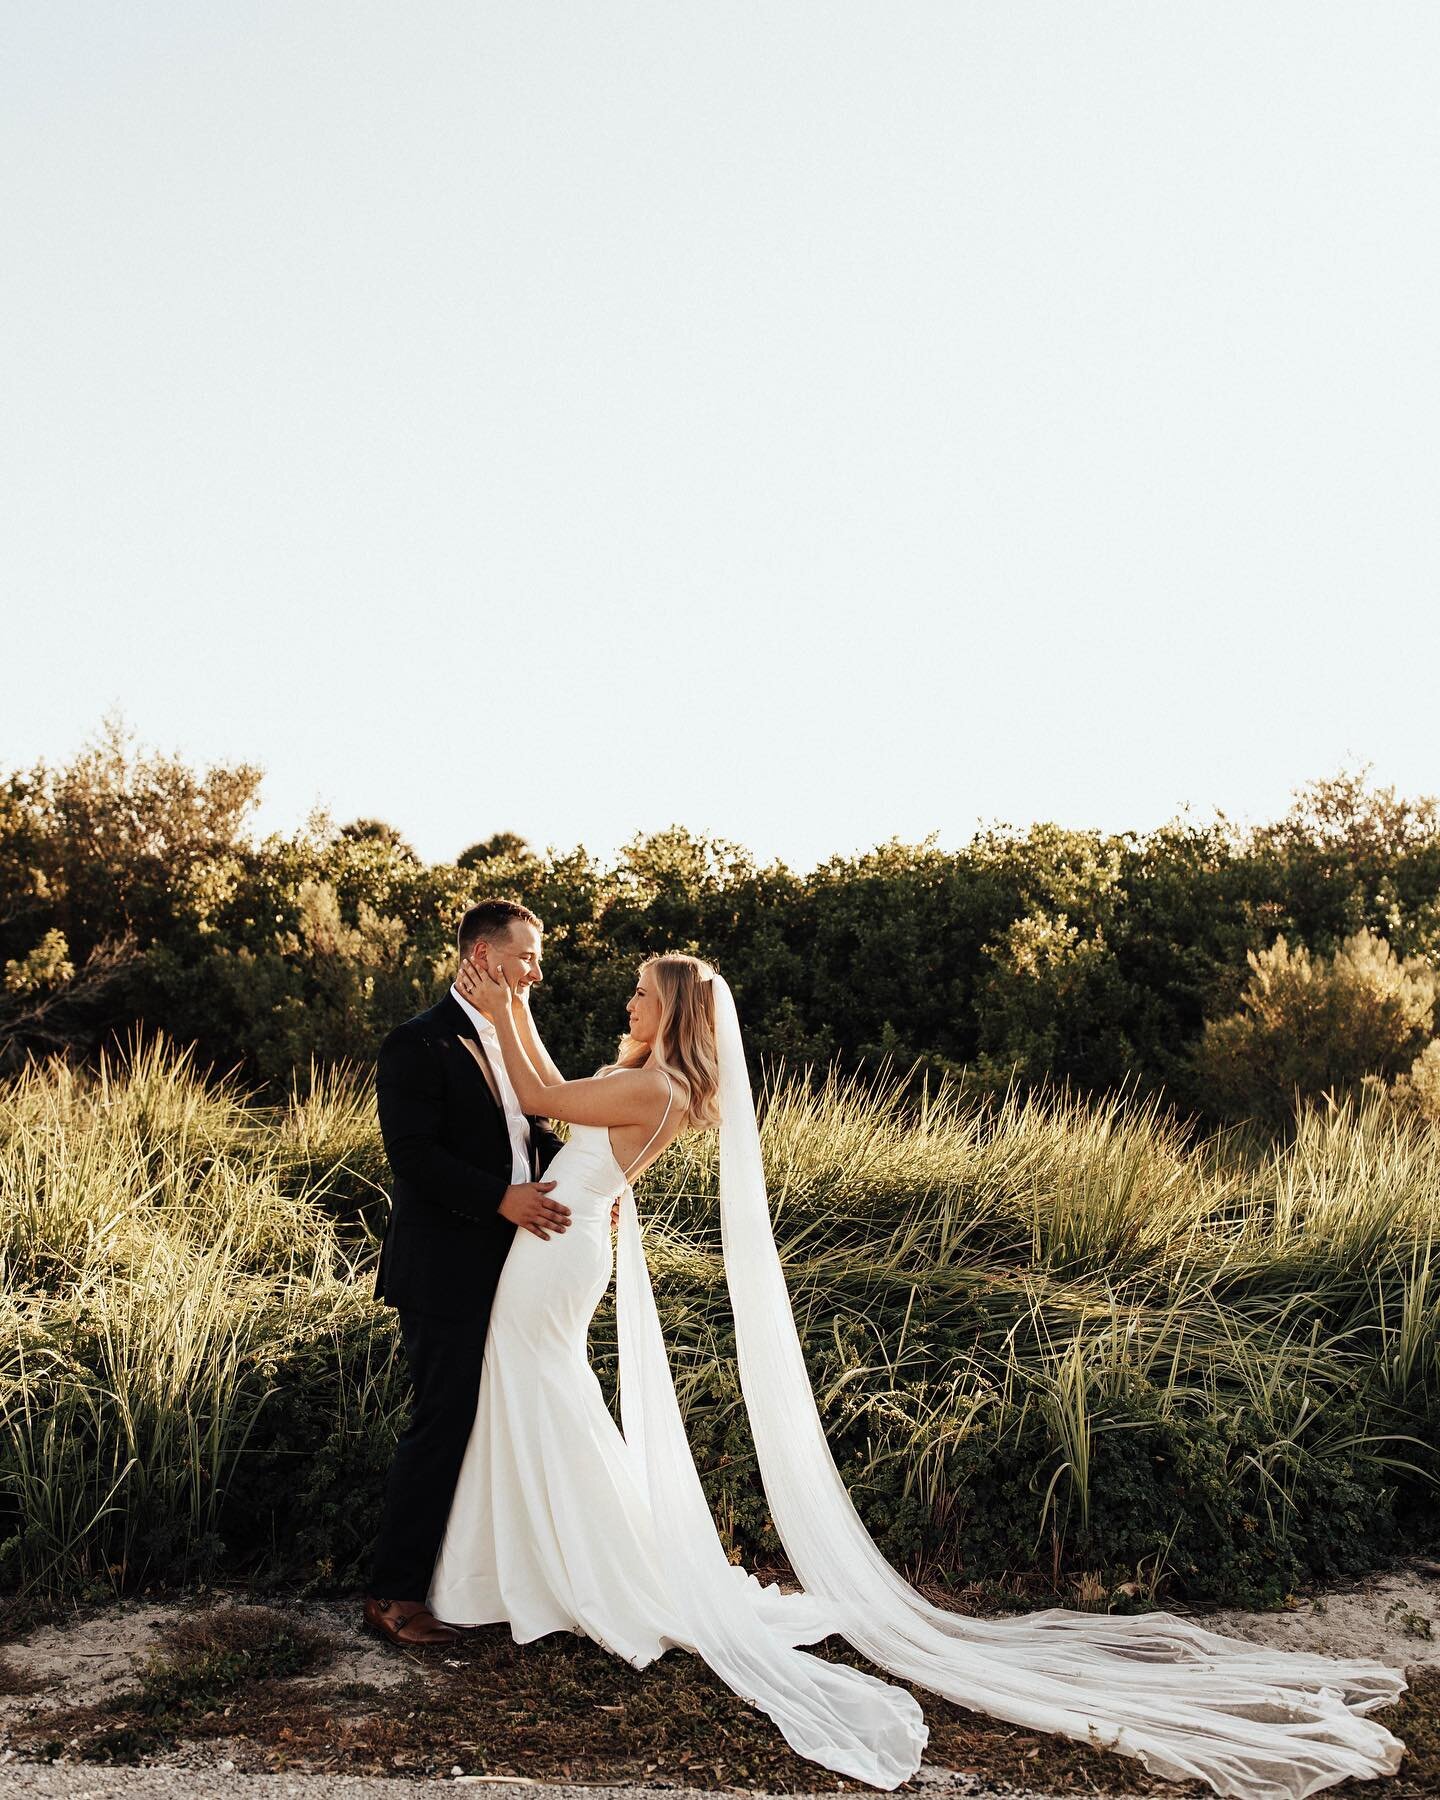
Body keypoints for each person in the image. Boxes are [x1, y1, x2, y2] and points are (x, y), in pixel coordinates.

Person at [426, 951, 1406, 1797]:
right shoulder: (642, 1077)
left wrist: (504, 993)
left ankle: (587, 1573)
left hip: (556, 1257)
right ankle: (551, 1567)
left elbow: (545, 1097)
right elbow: (572, 1119)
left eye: (644, 995)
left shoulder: (656, 1088)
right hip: (561, 1240)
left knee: (543, 1389)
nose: (631, 1004)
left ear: (674, 1013)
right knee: (541, 1392)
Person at [364, 899, 606, 1648]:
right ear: (481, 953)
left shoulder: (510, 1038)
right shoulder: (416, 1043)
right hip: (443, 1268)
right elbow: (413, 1158)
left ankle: (485, 1581)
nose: (535, 972)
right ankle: (392, 1595)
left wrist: (592, 1190)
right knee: (441, 1423)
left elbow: (531, 1130)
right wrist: (500, 1198)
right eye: (525, 957)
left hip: (512, 1266)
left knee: (490, 1422)